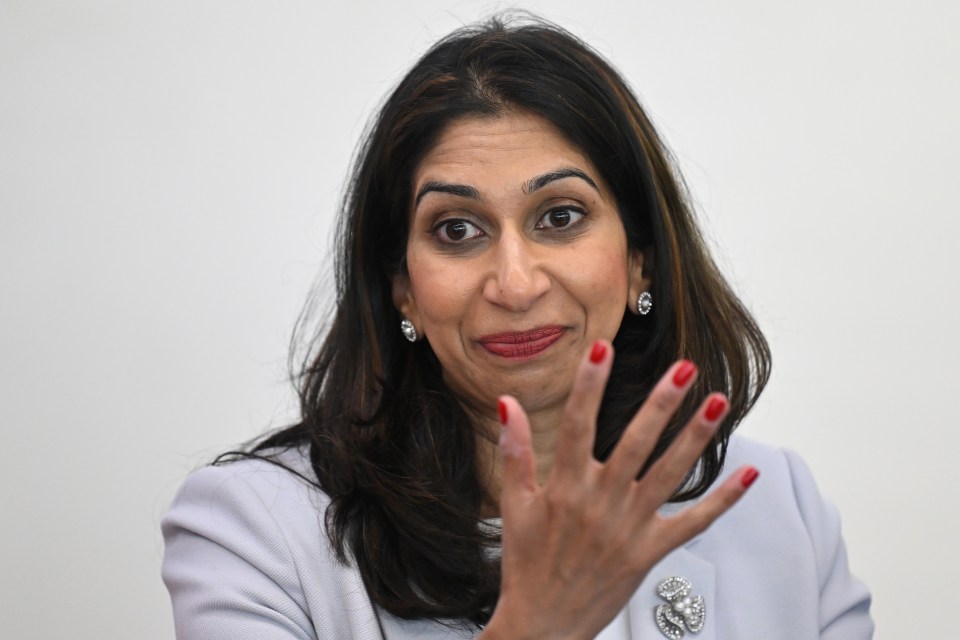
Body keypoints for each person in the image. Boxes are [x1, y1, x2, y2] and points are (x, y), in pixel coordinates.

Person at [161, 15, 873, 640]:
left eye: (560, 218)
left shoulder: (780, 507)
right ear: (402, 289)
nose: (516, 283)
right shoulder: (253, 531)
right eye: (457, 229)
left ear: (640, 263)